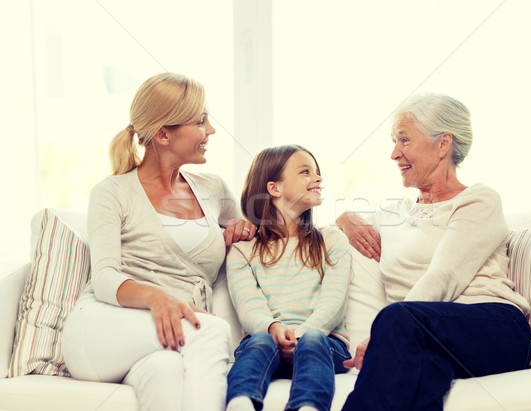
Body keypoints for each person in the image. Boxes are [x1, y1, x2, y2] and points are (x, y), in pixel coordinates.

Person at [61, 72, 255, 411]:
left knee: (166, 371)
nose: (210, 130)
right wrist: (156, 298)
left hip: (166, 341)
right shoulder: (112, 192)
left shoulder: (213, 190)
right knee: (211, 331)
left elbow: (259, 234)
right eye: (200, 120)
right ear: (163, 134)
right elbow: (105, 277)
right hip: (100, 329)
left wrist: (242, 232)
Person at [337, 93, 531, 410]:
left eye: (404, 140)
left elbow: (444, 275)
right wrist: (344, 219)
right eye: (394, 141)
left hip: (495, 329)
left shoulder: (478, 200)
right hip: (426, 339)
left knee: (398, 318)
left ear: (443, 144)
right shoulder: (392, 212)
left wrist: (386, 334)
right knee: (424, 375)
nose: (393, 153)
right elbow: (319, 231)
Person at [225, 145, 353, 411]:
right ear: (274, 188)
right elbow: (249, 305)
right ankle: (240, 403)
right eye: (305, 172)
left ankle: (308, 407)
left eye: (317, 173)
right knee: (259, 340)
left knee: (312, 340)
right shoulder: (242, 250)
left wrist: (302, 333)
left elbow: (334, 302)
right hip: (266, 338)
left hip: (324, 342)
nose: (318, 179)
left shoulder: (332, 240)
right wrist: (272, 328)